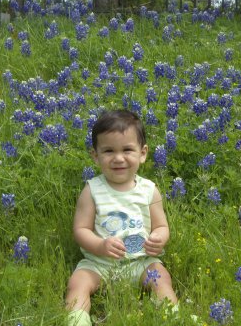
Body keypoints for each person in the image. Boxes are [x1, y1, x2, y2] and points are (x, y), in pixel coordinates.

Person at [66, 110, 178, 326]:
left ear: (143, 153)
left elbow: (161, 225)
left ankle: (173, 316)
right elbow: (80, 230)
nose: (118, 158)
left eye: (127, 149)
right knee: (77, 282)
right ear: (95, 156)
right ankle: (77, 321)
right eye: (108, 151)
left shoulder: (149, 190)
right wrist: (99, 245)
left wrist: (159, 238)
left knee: (162, 278)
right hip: (99, 264)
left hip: (141, 262)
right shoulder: (92, 190)